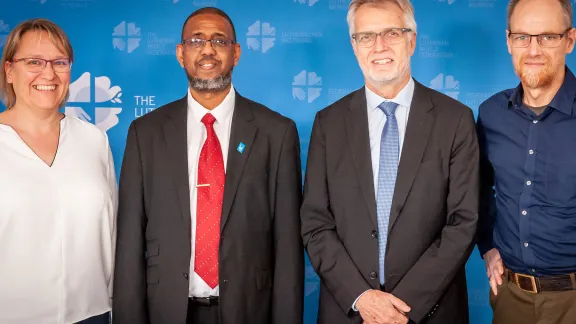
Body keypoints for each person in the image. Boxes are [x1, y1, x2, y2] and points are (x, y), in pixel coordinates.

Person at [112, 7, 304, 324]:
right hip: (168, 310)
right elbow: (130, 241)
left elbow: (288, 248)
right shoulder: (145, 133)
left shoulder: (276, 132)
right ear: (180, 53)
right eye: (196, 40)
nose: (208, 50)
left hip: (249, 310)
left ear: (236, 52)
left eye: (219, 40)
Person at [300, 0, 480, 323]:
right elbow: (315, 223)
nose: (379, 46)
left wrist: (398, 307)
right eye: (366, 36)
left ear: (412, 40)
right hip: (351, 312)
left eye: (392, 33)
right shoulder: (328, 124)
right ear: (354, 47)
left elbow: (463, 223)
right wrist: (362, 298)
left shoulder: (455, 121)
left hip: (430, 312)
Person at [0, 19, 116, 324]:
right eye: (34, 62)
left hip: (92, 314)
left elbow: (113, 232)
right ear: (9, 71)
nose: (48, 73)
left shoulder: (94, 140)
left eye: (59, 62)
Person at [477, 0, 576, 322]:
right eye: (522, 37)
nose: (533, 49)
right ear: (509, 41)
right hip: (510, 297)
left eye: (547, 36)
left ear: (570, 40)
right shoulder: (491, 113)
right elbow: (475, 190)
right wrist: (487, 245)